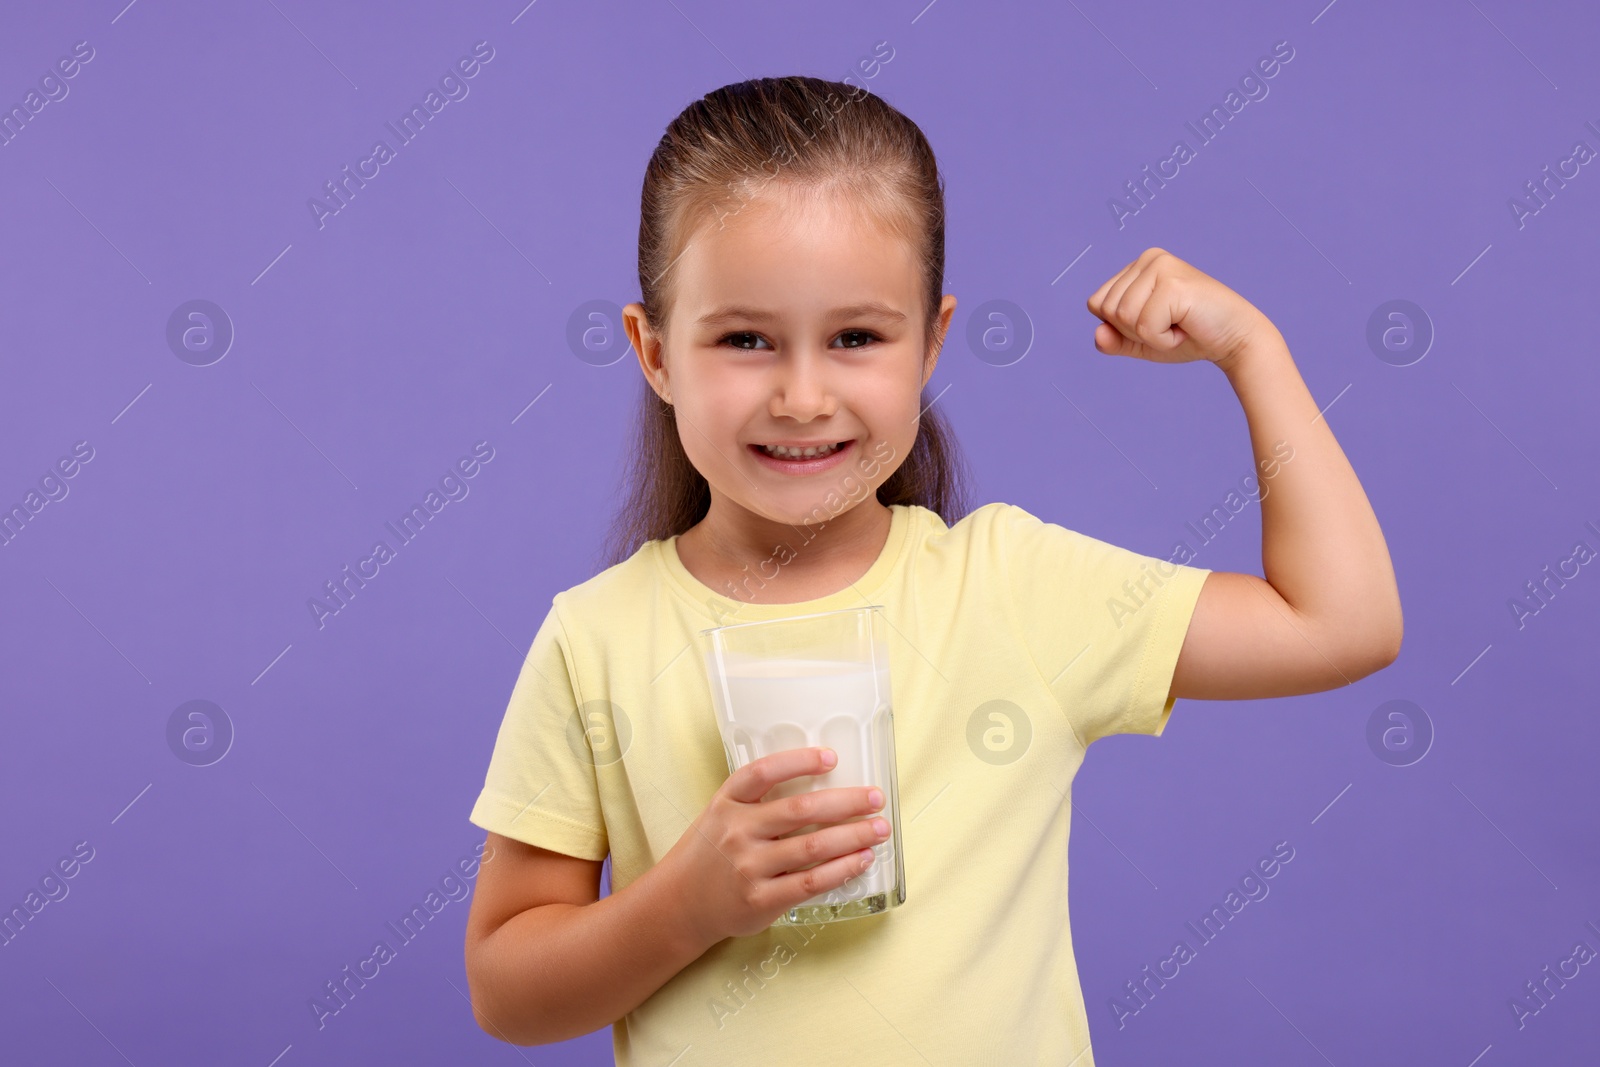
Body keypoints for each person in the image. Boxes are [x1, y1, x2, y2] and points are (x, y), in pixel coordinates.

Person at [462, 75, 1401, 1065]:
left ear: (932, 342)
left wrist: (1255, 352)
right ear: (653, 352)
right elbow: (508, 990)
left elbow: (1340, 621)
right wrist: (687, 904)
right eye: (744, 339)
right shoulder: (598, 637)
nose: (802, 394)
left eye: (857, 337)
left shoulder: (1011, 587)